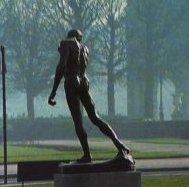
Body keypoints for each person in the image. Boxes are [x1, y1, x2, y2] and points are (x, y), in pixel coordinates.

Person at [48, 29, 130, 163]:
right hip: (84, 81)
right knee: (95, 118)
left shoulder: (66, 43)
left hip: (72, 80)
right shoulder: (85, 49)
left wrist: (53, 91)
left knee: (77, 120)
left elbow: (61, 66)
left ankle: (87, 154)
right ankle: (118, 144)